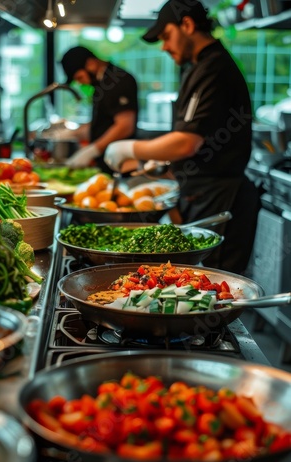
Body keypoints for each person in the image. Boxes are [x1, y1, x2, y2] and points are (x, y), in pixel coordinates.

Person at [104, 0, 261, 275]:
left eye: (166, 36)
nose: (164, 46)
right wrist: (162, 164)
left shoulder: (214, 68)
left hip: (221, 197)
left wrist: (130, 148)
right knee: (196, 283)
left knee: (213, 290)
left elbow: (187, 142)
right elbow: (198, 136)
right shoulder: (200, 67)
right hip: (202, 195)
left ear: (187, 25)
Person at [60, 46, 138, 173]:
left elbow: (125, 126)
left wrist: (92, 150)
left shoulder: (120, 80)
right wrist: (72, 134)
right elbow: (103, 122)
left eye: (80, 77)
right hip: (105, 163)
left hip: (119, 163)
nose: (80, 83)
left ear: (90, 63)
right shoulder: (100, 84)